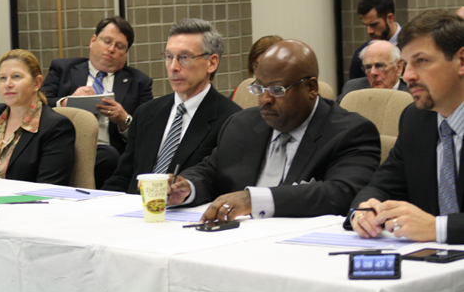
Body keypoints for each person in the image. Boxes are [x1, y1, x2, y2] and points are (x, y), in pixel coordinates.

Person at [168, 40, 381, 222]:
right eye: (259, 88)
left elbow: (341, 194)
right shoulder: (241, 124)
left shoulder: (351, 132)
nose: (265, 100)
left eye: (277, 90)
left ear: (311, 88)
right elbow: (212, 171)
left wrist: (254, 200)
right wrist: (186, 187)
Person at [346, 9, 464, 244]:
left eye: (421, 61)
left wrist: (439, 228)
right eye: (406, 64)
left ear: (461, 61)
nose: (408, 75)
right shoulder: (415, 119)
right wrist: (364, 211)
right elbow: (381, 186)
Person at [102, 18, 241, 193]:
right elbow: (123, 177)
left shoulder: (232, 120)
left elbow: (222, 186)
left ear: (211, 63)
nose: (173, 67)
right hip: (135, 210)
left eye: (184, 57)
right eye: (169, 57)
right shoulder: (146, 113)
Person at [41, 16, 153, 189]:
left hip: (111, 154)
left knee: (109, 156)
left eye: (119, 46)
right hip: (66, 147)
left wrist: (125, 121)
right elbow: (38, 105)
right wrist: (66, 102)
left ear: (126, 52)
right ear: (93, 40)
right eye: (106, 41)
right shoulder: (62, 69)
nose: (111, 49)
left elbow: (150, 132)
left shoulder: (140, 82)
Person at [0, 49, 75, 185]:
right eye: (3, 78)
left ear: (37, 83)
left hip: (25, 204)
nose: (8, 84)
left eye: (16, 77)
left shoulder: (56, 127)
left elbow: (49, 188)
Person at [349, 0, 402, 80]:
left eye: (374, 25)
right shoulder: (361, 55)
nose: (369, 31)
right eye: (366, 25)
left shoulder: (413, 49)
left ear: (390, 18)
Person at [337, 40, 409, 103]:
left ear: (398, 68)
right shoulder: (352, 90)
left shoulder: (412, 97)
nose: (372, 73)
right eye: (368, 67)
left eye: (380, 66)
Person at [230, 35, 283, 101]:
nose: (261, 72)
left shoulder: (290, 94)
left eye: (267, 66)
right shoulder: (242, 91)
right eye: (256, 66)